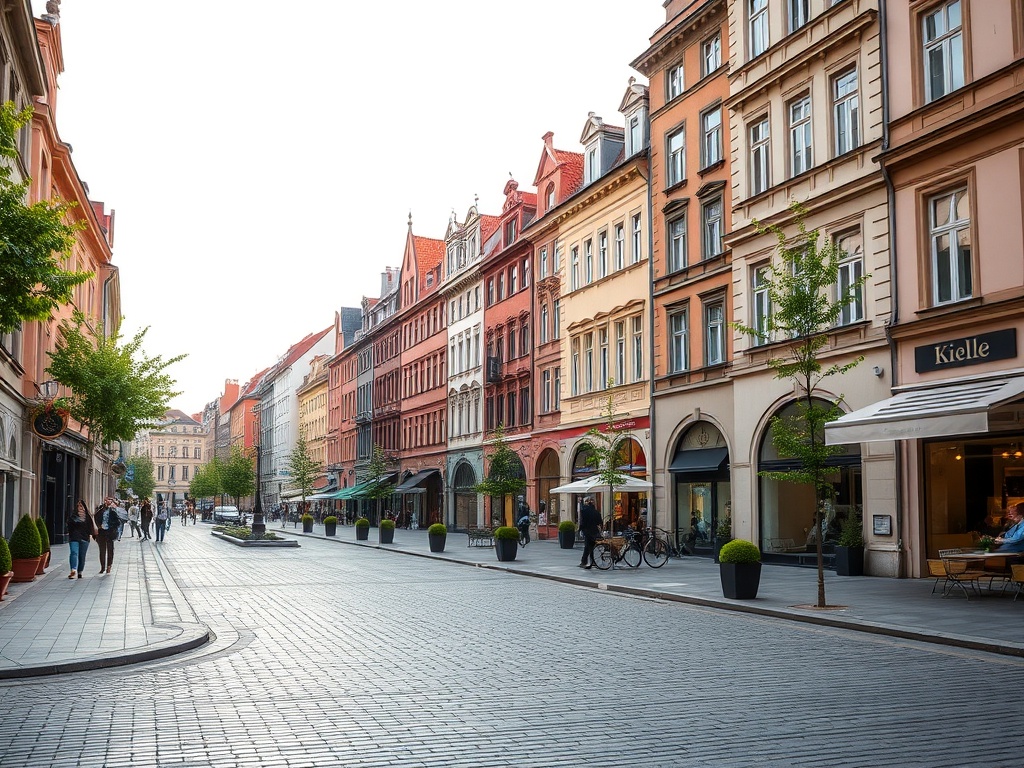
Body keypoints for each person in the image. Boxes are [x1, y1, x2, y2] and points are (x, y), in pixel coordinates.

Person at [67, 500, 95, 579]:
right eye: (79, 506)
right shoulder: (73, 516)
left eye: (82, 506)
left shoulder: (88, 517)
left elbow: (90, 527)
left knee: (82, 556)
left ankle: (80, 571)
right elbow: (69, 526)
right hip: (74, 538)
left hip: (85, 538)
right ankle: (73, 570)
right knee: (74, 553)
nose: (80, 508)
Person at [94, 497, 120, 574]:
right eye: (107, 501)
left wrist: (111, 526)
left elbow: (118, 522)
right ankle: (102, 567)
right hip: (102, 532)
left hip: (110, 533)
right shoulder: (100, 510)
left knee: (110, 550)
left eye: (110, 501)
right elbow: (96, 517)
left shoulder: (113, 511)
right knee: (102, 550)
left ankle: (109, 566)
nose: (108, 502)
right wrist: (99, 526)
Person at [578, 496, 602, 569]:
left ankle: (585, 561)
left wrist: (580, 529)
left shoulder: (584, 511)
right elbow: (599, 522)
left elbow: (582, 522)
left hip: (587, 531)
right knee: (592, 547)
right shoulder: (596, 512)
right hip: (594, 531)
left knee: (588, 546)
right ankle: (592, 561)